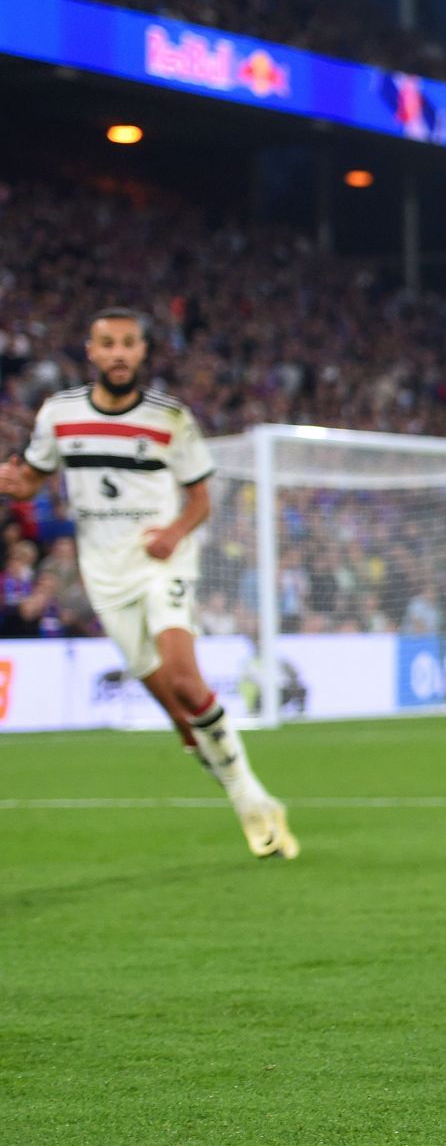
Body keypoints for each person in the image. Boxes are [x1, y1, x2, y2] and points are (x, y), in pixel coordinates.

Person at [0, 308, 297, 858]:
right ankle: (249, 801)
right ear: (90, 351)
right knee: (182, 720)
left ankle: (252, 800)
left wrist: (174, 531)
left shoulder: (171, 418)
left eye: (128, 344)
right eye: (107, 343)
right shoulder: (58, 415)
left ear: (142, 353)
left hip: (165, 563)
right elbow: (34, 480)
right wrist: (14, 483)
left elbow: (201, 498)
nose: (118, 353)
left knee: (187, 679)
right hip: (105, 579)